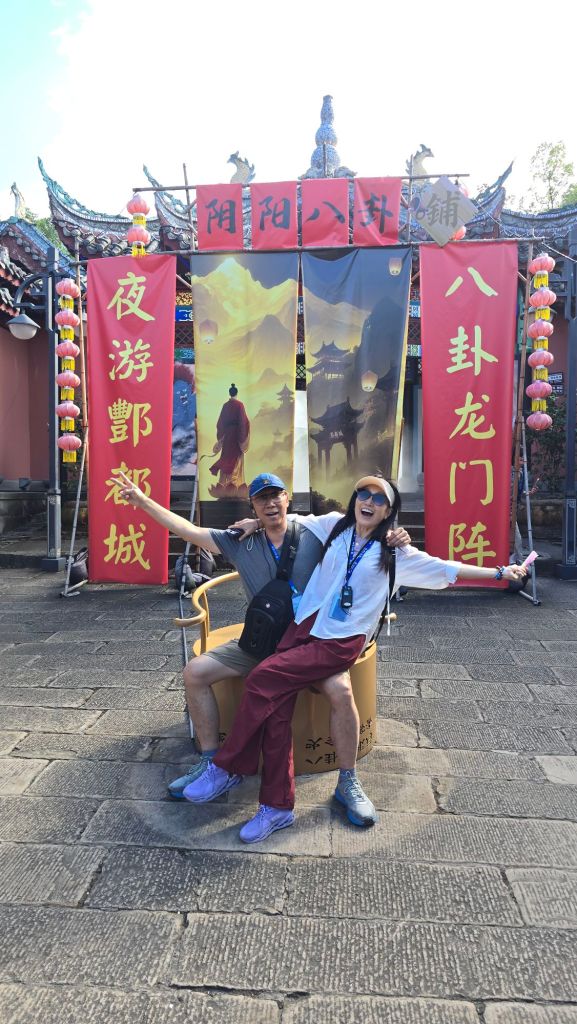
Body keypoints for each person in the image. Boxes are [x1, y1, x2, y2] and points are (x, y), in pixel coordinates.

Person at [182, 475, 527, 844]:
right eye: (364, 493)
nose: (369, 501)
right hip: (304, 627)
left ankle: (230, 766)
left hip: (340, 640)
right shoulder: (334, 525)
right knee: (277, 709)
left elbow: (446, 570)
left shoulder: (396, 554)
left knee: (263, 677)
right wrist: (254, 521)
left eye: (379, 499)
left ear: (389, 511)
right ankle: (277, 807)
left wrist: (499, 573)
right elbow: (287, 518)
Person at [112, 469, 411, 824]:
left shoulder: (314, 534)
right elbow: (188, 530)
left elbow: (362, 532)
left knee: (341, 691)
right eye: (261, 499)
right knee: (195, 672)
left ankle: (348, 781)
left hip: (310, 642)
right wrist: (142, 501)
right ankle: (211, 763)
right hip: (260, 643)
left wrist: (394, 534)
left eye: (276, 496)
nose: (270, 504)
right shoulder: (240, 541)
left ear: (287, 499)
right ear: (252, 506)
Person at [210, 383, 250, 496]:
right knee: (235, 460)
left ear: (230, 393)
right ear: (236, 393)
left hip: (228, 437)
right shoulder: (240, 405)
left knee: (226, 458)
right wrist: (242, 438)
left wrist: (222, 437)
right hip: (237, 437)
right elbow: (243, 423)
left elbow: (220, 424)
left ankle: (224, 483)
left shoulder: (225, 406)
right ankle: (235, 484)